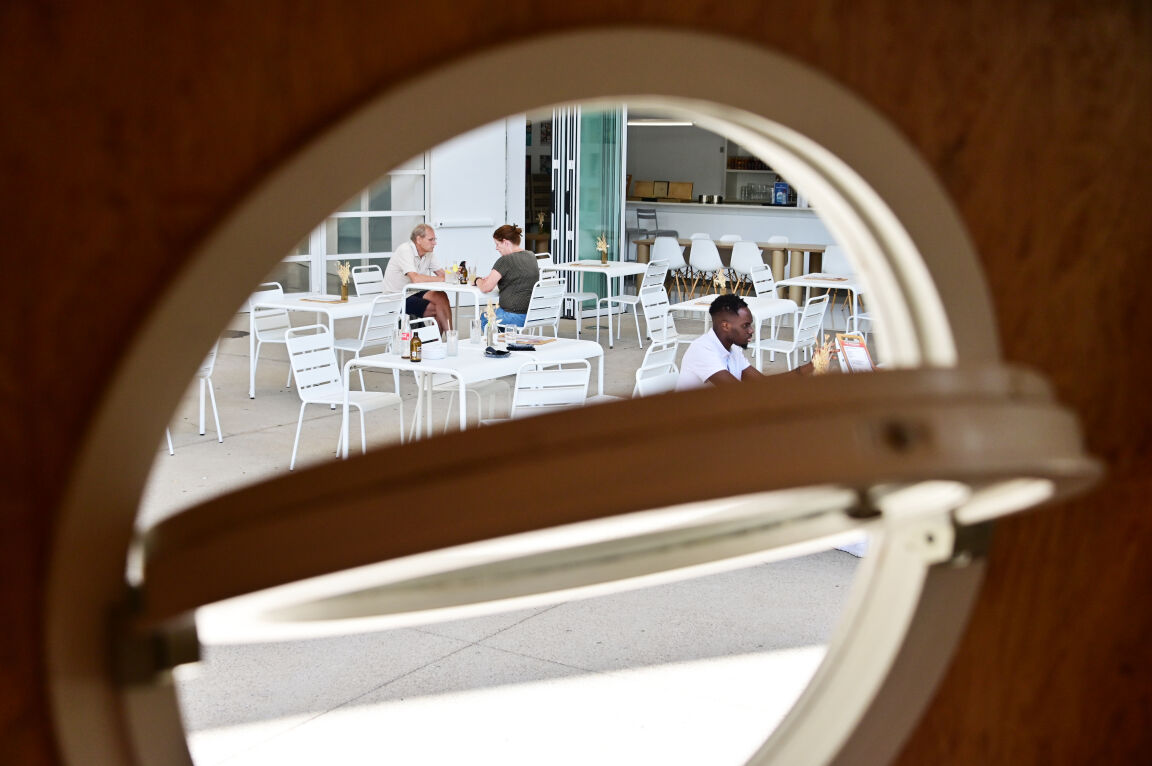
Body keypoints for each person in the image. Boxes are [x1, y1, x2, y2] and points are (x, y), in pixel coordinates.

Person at [676, 292, 766, 390]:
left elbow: (762, 383)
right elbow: (737, 392)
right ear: (725, 326)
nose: (751, 330)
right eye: (745, 325)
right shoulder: (702, 349)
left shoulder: (733, 349)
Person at [382, 223, 452, 332]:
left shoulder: (429, 253)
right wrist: (443, 279)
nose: (435, 243)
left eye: (435, 239)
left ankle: (450, 337)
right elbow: (416, 279)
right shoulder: (405, 250)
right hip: (397, 297)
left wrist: (455, 274)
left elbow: (442, 274)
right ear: (419, 239)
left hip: (414, 292)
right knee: (439, 310)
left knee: (441, 296)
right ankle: (436, 343)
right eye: (431, 240)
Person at [473, 224, 540, 328]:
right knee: (494, 312)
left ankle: (497, 343)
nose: (496, 248)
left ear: (506, 242)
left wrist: (477, 280)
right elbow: (518, 277)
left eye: (497, 244)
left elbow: (486, 287)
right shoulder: (531, 256)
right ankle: (506, 340)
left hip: (514, 315)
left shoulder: (505, 260)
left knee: (484, 318)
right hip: (532, 314)